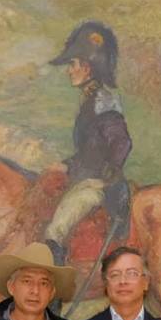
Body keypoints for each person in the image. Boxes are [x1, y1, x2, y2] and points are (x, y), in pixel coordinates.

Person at [44, 22, 132, 264]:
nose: (69, 71)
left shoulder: (103, 100)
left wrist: (108, 173)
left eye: (72, 64)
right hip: (86, 177)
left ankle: (57, 282)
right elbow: (89, 150)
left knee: (55, 229)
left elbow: (121, 142)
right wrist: (66, 165)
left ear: (88, 67)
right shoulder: (89, 100)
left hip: (98, 184)